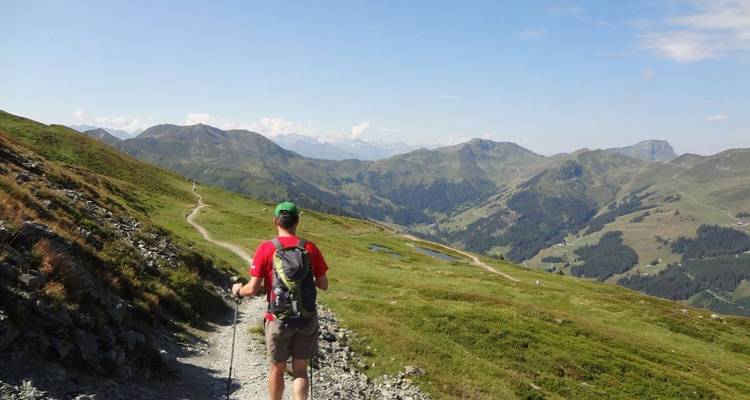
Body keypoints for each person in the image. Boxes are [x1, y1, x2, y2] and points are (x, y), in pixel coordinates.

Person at [232, 201, 329, 400]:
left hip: (277, 318)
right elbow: (323, 285)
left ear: (275, 220)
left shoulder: (266, 248)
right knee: (301, 369)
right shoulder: (310, 248)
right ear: (297, 221)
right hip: (306, 317)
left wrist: (237, 291)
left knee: (277, 368)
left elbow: (252, 289)